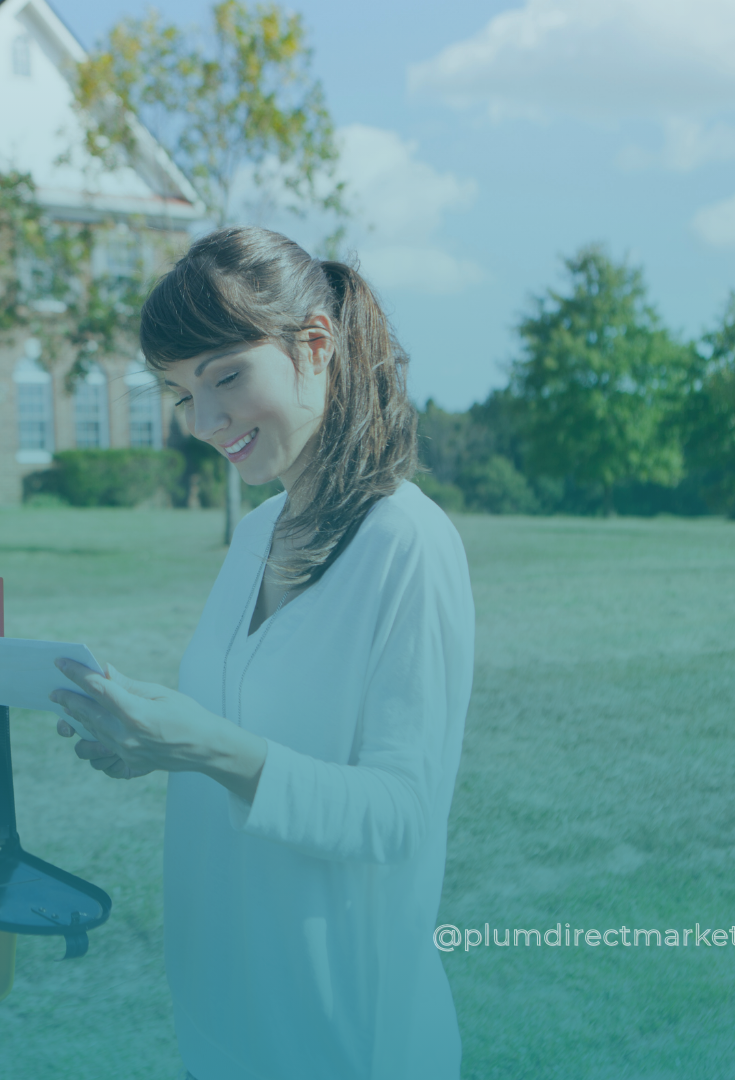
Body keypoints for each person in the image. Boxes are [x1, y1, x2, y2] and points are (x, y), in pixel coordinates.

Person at [48, 226, 474, 1079]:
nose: (204, 423)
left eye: (226, 377)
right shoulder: (253, 537)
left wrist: (201, 745)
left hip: (346, 1034)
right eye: (178, 395)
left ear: (315, 346)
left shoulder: (408, 545)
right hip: (228, 1022)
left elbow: (398, 817)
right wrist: (153, 744)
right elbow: (252, 743)